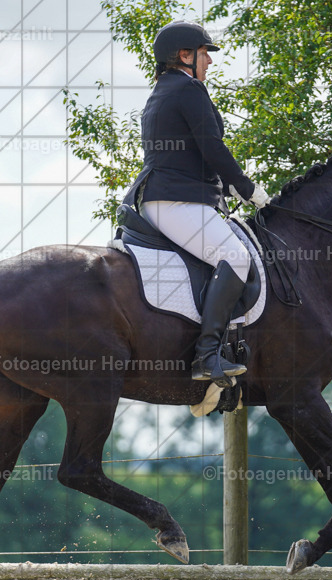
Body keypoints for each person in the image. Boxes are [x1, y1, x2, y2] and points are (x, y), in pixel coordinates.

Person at [123, 20, 270, 388]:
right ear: (184, 56)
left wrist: (225, 188)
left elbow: (193, 154)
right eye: (204, 54)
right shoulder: (188, 89)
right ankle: (206, 354)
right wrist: (246, 187)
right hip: (176, 202)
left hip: (167, 198)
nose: (209, 61)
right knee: (236, 257)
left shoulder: (163, 91)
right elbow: (212, 147)